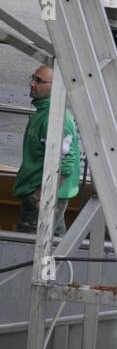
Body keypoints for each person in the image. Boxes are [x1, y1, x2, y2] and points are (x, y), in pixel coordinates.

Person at [15, 64, 81, 237]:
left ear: (56, 86)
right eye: (33, 78)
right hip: (47, 195)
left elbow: (65, 164)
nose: (32, 83)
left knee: (28, 245)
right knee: (55, 242)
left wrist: (40, 196)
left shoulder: (54, 118)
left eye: (39, 81)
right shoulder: (46, 113)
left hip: (44, 197)